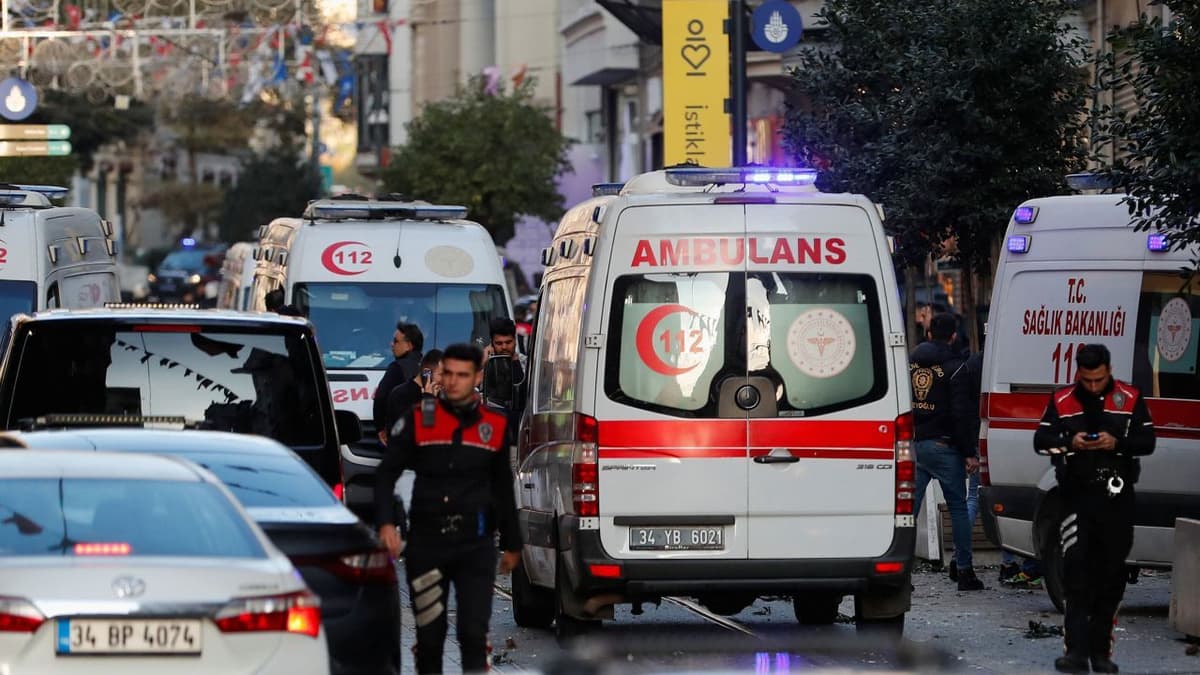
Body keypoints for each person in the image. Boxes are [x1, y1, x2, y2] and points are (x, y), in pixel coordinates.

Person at [375, 343, 521, 674]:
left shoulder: (494, 426)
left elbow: (502, 487)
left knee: (472, 634)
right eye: (449, 374)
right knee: (430, 638)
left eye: (463, 375)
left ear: (478, 377)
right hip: (427, 545)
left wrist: (513, 543)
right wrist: (386, 524)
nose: (453, 382)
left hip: (475, 546)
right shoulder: (419, 419)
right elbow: (386, 474)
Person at [1033, 343, 1155, 674]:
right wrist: (1069, 442)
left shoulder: (1129, 399)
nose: (1092, 386)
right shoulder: (1061, 401)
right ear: (1078, 374)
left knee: (1111, 576)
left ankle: (1101, 652)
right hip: (1076, 497)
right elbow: (1041, 442)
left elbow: (1148, 442)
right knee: (1075, 572)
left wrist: (1118, 444)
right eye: (1086, 380)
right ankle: (1075, 652)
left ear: (1109, 372)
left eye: (1098, 380)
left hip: (1117, 499)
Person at [909, 312, 984, 591]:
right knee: (958, 508)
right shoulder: (956, 367)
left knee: (908, 512)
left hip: (915, 446)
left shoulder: (910, 366)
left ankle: (902, 573)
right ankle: (964, 570)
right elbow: (960, 414)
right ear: (953, 336)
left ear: (929, 334)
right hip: (944, 446)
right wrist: (968, 452)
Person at [373, 322, 424, 444]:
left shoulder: (397, 368)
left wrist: (380, 428)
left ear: (408, 346)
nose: (391, 344)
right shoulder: (428, 367)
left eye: (396, 341)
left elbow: (380, 397)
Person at [383, 349, 443, 436]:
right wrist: (428, 399)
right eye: (441, 375)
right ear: (427, 373)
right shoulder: (401, 394)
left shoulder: (442, 394)